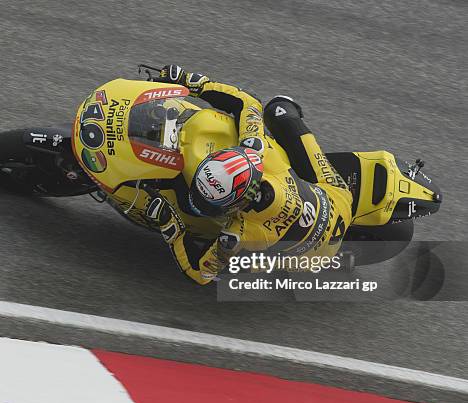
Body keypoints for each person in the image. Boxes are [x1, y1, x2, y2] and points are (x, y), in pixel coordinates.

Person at [145, 65, 354, 284]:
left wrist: (169, 226)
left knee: (225, 273)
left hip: (327, 225)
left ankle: (332, 264)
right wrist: (191, 82)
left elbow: (199, 273)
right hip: (331, 196)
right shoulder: (255, 149)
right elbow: (248, 102)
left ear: (237, 205)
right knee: (279, 109)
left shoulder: (240, 232)